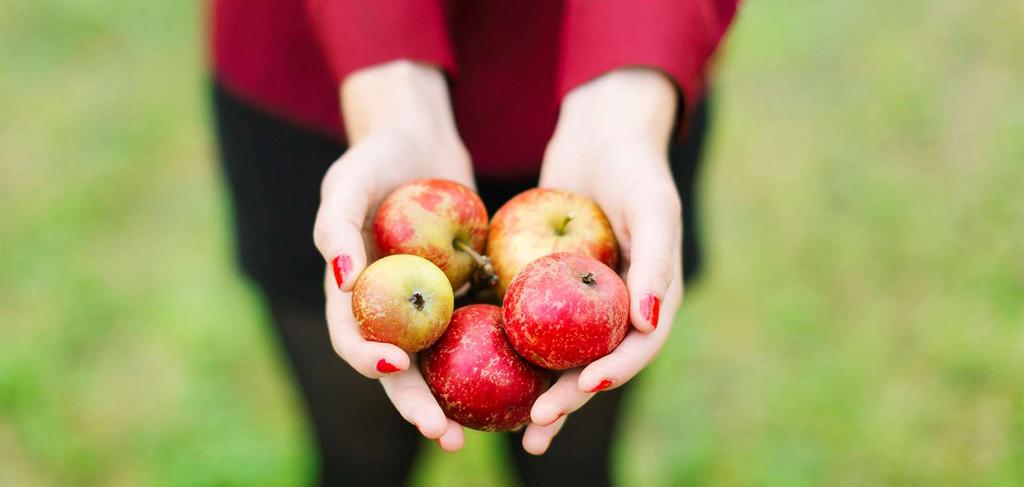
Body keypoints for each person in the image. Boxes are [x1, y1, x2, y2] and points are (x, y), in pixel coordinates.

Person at [210, 1, 737, 485]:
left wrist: (623, 108)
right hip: (336, 87)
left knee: (572, 469)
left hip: (600, 110)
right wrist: (392, 91)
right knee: (357, 462)